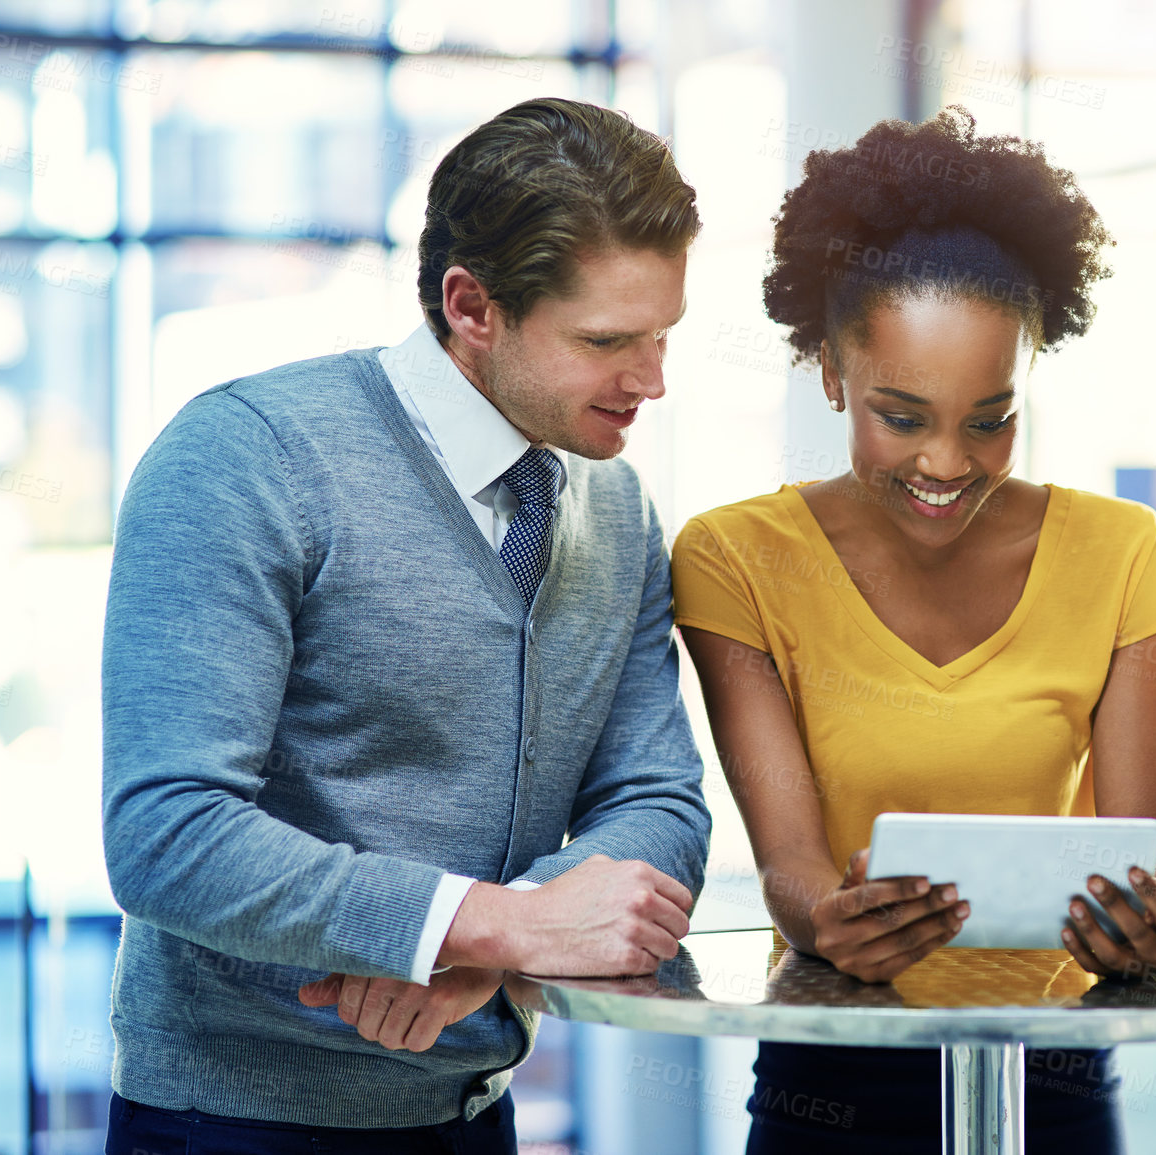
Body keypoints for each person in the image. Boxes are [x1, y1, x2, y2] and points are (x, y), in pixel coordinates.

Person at [99, 97, 712, 1155]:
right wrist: (501, 923)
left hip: (472, 1113)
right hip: (234, 1125)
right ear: (471, 307)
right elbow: (168, 834)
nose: (651, 381)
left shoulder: (615, 507)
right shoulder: (249, 457)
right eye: (607, 341)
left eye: (663, 336)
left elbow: (656, 799)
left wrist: (483, 945)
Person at [670, 108, 1156, 1154]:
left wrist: (1154, 917)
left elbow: (1144, 844)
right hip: (831, 1081)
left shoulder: (1121, 548)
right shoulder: (734, 557)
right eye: (901, 417)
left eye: (990, 418)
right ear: (829, 372)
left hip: (1057, 1081)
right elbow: (791, 866)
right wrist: (829, 919)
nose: (947, 464)